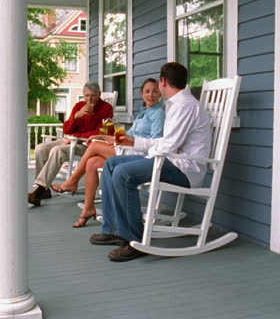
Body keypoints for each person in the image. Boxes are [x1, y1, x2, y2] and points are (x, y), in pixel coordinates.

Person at [89, 62, 212, 262]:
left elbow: (169, 145)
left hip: (185, 168)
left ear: (163, 82)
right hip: (171, 160)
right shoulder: (176, 104)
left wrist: (147, 154)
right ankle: (112, 229)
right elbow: (165, 142)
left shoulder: (184, 105)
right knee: (113, 164)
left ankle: (133, 239)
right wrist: (135, 141)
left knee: (123, 173)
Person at [51, 78, 165, 228]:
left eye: (155, 91)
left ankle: (71, 182)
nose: (151, 95)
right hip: (126, 150)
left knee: (94, 146)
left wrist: (104, 138)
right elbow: (127, 135)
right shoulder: (143, 114)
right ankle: (88, 208)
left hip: (138, 156)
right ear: (142, 94)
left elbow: (155, 142)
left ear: (160, 94)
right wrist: (103, 136)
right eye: (147, 91)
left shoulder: (159, 114)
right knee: (92, 163)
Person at [28, 82, 113, 206]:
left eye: (93, 96)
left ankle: (38, 191)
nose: (90, 99)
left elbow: (103, 132)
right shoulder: (79, 106)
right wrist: (77, 116)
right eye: (87, 96)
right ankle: (45, 190)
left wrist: (77, 137)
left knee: (58, 151)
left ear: (99, 95)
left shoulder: (107, 108)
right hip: (72, 140)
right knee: (41, 148)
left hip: (88, 146)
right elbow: (66, 129)